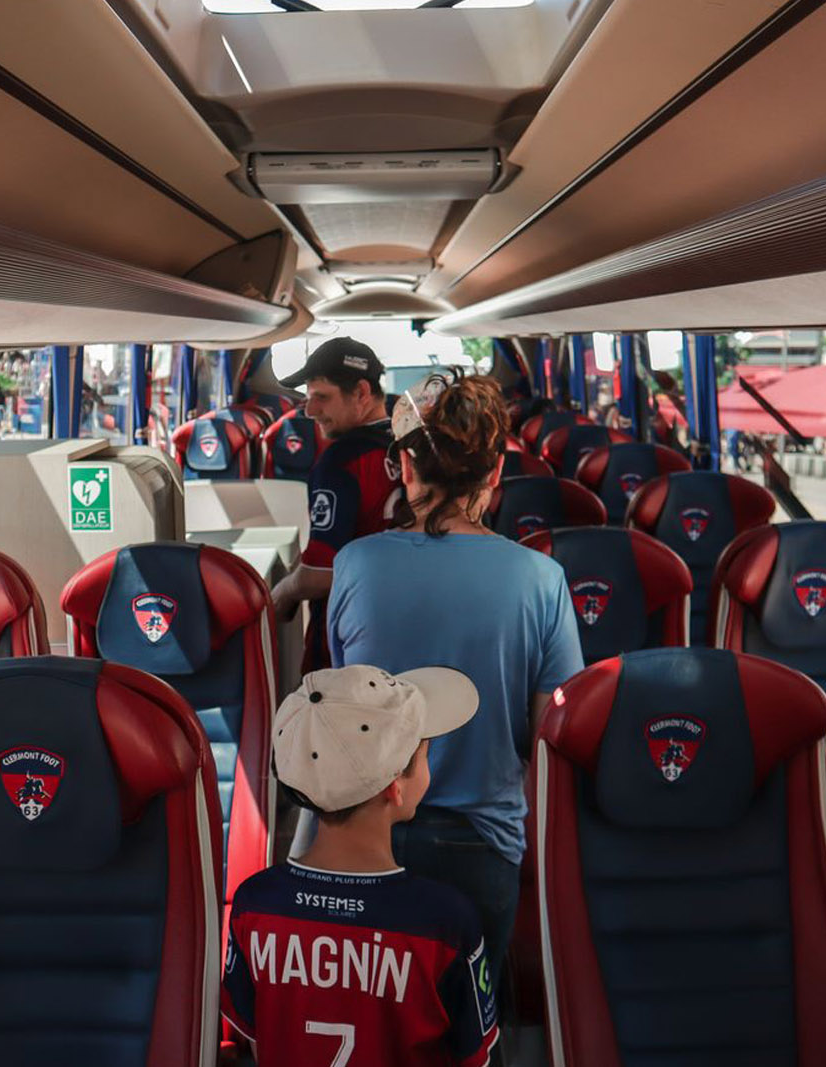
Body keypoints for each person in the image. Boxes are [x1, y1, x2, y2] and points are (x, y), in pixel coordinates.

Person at [326, 373, 584, 982]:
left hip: (368, 837)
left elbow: (348, 701)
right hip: (482, 845)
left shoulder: (354, 564)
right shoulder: (541, 580)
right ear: (495, 476)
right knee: (468, 1024)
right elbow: (549, 730)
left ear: (407, 470)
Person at [222, 665, 499, 1067]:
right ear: (395, 786)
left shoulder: (254, 905)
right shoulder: (445, 924)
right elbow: (473, 1057)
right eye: (424, 753)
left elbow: (256, 1039)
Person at [271, 338, 401, 670]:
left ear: (361, 392)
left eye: (322, 398)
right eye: (308, 398)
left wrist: (281, 594)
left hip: (346, 643)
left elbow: (320, 574)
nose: (311, 411)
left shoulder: (340, 463)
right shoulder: (412, 447)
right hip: (408, 628)